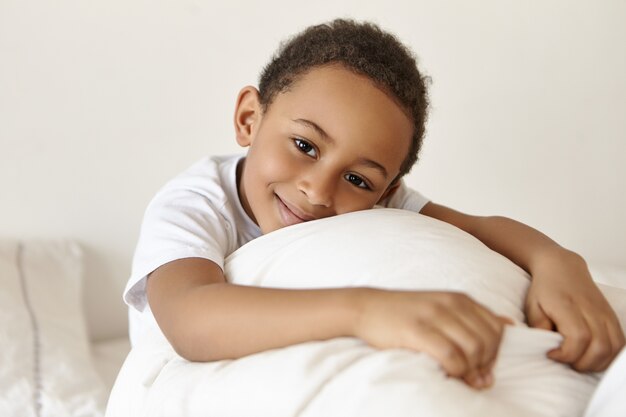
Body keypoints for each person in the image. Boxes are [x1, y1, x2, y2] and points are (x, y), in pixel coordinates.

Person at [123, 19, 624, 390]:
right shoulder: (194, 203)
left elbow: (480, 227)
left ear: (387, 191)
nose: (319, 191)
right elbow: (191, 318)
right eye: (304, 146)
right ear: (250, 118)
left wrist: (558, 262)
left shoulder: (375, 200)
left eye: (358, 178)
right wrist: (368, 311)